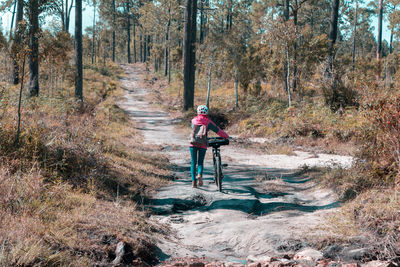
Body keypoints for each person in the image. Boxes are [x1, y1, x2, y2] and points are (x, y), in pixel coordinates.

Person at [190, 105, 229, 188]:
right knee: (200, 162)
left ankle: (194, 182)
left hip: (193, 143)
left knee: (193, 162)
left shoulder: (193, 120)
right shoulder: (208, 122)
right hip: (203, 144)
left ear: (197, 112)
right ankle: (200, 174)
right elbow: (218, 130)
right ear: (207, 112)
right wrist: (226, 136)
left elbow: (192, 129)